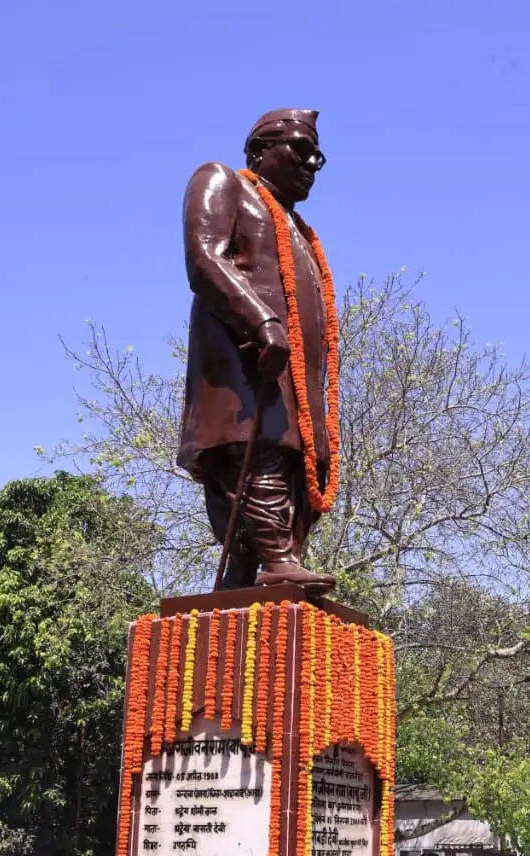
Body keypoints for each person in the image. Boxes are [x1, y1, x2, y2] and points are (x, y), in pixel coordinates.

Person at [178, 108, 336, 592]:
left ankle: (251, 572)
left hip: (297, 384)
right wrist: (263, 321)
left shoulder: (299, 232)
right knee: (258, 454)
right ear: (258, 151)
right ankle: (275, 559)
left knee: (298, 469)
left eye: (317, 156)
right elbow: (204, 259)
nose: (311, 163)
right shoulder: (223, 182)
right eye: (299, 150)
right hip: (244, 370)